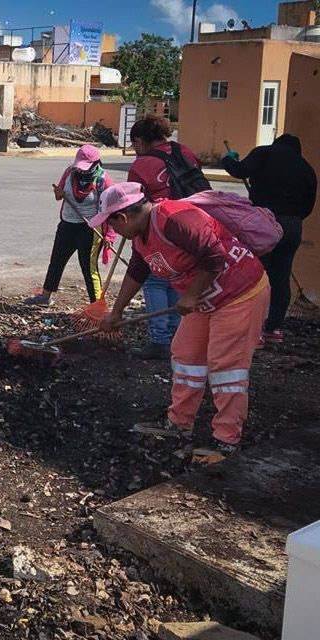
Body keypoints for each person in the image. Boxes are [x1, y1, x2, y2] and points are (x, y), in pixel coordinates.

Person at [95, 183, 269, 460]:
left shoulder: (175, 219)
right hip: (204, 299)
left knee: (226, 367)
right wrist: (116, 312)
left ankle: (226, 440)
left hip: (239, 293)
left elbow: (215, 256)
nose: (113, 232)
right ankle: (179, 423)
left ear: (123, 218)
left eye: (111, 224)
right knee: (186, 356)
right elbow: (137, 272)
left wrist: (190, 295)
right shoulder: (141, 237)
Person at [222, 134, 317, 343]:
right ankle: (272, 328)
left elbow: (239, 171)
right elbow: (309, 206)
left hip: (263, 222)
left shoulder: (264, 153)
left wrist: (228, 159)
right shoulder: (306, 168)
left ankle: (252, 328)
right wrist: (291, 219)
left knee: (255, 274)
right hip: (292, 225)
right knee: (281, 276)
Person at [126, 114, 205, 360]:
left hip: (161, 227)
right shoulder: (185, 152)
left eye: (134, 143)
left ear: (140, 140)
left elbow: (134, 204)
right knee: (176, 277)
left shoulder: (142, 164)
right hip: (192, 222)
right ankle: (173, 336)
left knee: (154, 281)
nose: (134, 149)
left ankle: (160, 340)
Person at [25, 145, 114, 306]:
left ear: (95, 164)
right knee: (57, 261)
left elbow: (111, 210)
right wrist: (58, 194)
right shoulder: (69, 173)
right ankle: (45, 297)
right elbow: (59, 194)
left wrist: (109, 236)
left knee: (88, 267)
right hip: (67, 223)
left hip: (90, 228)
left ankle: (97, 306)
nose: (82, 171)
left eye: (85, 167)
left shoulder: (103, 180)